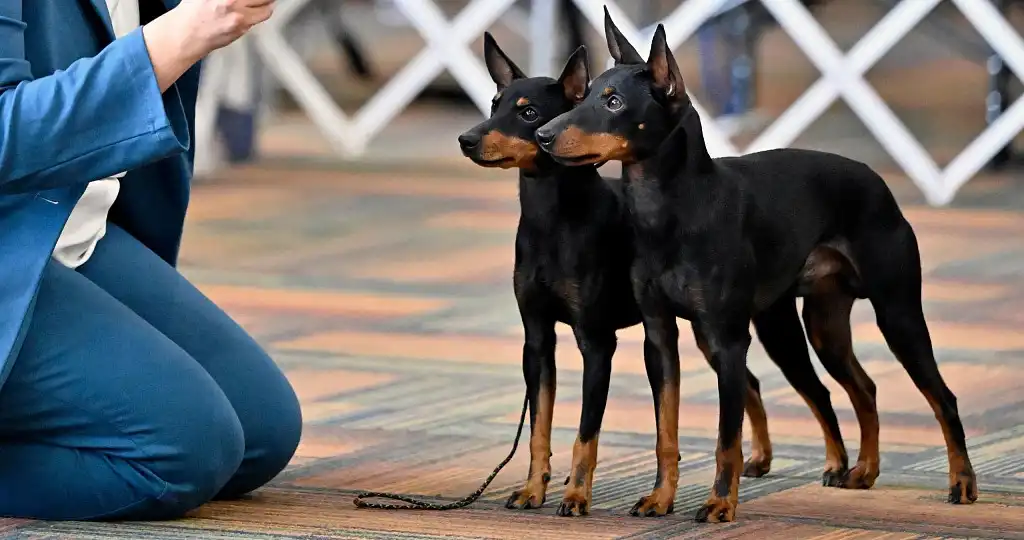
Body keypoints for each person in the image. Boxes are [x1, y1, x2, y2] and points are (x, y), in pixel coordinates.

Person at [0, 0, 302, 521]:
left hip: (63, 222)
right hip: (15, 228)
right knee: (183, 451)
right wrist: (186, 31)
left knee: (261, 432)